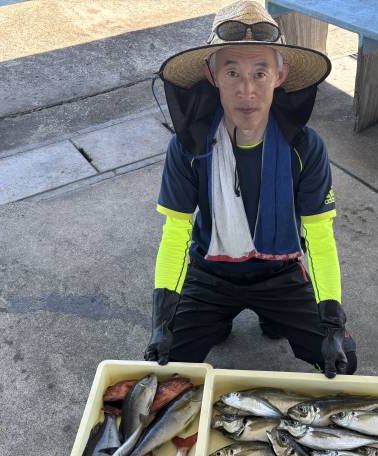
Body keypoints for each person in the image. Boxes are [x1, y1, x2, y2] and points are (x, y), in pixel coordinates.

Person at [145, 0, 356, 379]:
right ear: (211, 74)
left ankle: (273, 316)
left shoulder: (306, 148)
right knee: (163, 365)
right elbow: (175, 233)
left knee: (342, 363)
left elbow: (320, 237)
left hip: (281, 273)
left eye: (260, 73)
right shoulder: (188, 146)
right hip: (209, 273)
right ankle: (216, 319)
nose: (246, 90)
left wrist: (331, 321)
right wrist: (162, 318)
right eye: (232, 72)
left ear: (280, 74)